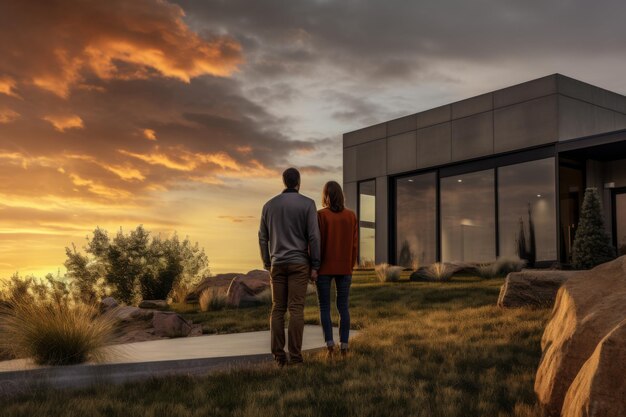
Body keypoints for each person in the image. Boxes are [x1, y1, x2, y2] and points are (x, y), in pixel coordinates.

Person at [258, 167, 321, 367]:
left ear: (284, 182)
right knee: (296, 310)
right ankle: (295, 357)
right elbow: (314, 236)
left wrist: (267, 262)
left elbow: (262, 237)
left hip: (277, 263)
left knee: (277, 309)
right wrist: (316, 264)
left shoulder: (269, 206)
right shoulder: (308, 204)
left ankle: (279, 356)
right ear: (298, 182)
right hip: (299, 264)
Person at [316, 180, 358, 359]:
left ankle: (330, 346)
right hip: (344, 267)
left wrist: (314, 266)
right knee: (343, 307)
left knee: (324, 307)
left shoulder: (321, 215)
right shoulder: (351, 216)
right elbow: (355, 244)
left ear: (325, 195)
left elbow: (316, 243)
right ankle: (345, 345)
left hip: (324, 267)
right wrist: (350, 265)